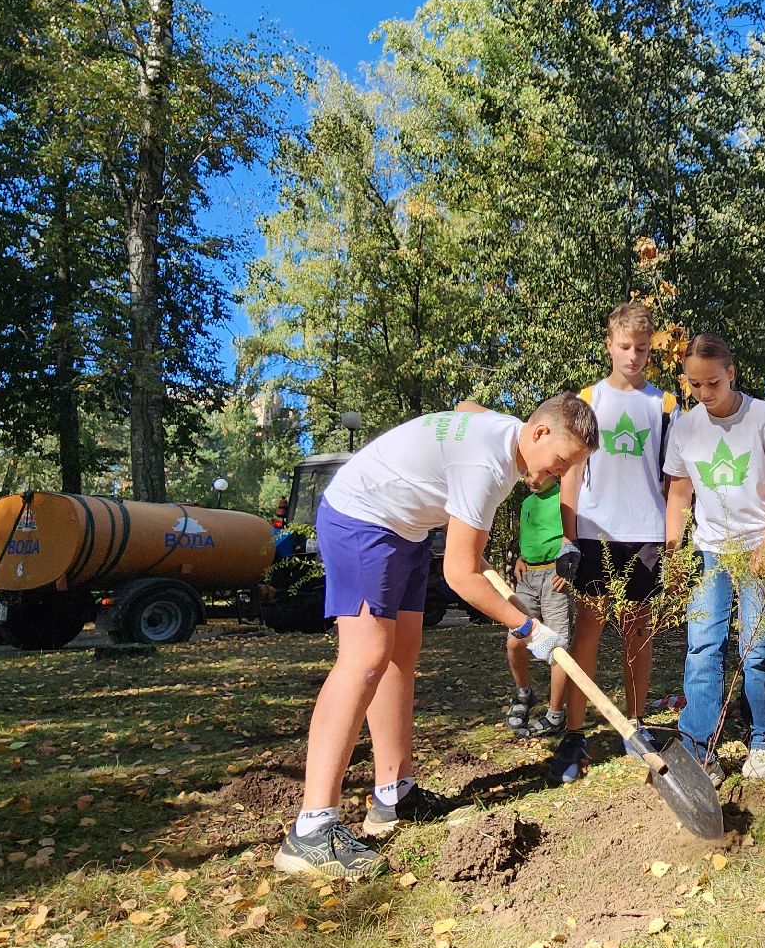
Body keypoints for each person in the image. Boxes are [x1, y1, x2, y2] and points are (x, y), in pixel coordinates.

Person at [274, 396, 597, 878]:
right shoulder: (486, 465)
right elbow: (461, 575)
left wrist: (513, 604)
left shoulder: (509, 436)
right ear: (539, 433)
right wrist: (527, 626)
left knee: (401, 654)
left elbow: (467, 407)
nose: (556, 477)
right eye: (559, 464)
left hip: (406, 529)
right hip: (362, 519)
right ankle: (312, 829)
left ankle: (393, 795)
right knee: (364, 659)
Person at [535, 301, 678, 784]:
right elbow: (571, 478)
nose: (632, 356)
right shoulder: (588, 399)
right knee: (587, 634)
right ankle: (575, 735)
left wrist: (673, 539)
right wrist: (567, 539)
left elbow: (672, 483)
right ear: (609, 345)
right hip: (595, 534)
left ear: (650, 349)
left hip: (645, 536)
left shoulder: (665, 405)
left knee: (638, 634)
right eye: (624, 346)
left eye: (641, 348)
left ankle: (633, 727)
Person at [663, 334, 765, 779]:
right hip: (711, 552)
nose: (705, 393)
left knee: (756, 647)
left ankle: (763, 741)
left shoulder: (763, 417)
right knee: (703, 647)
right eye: (695, 384)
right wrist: (673, 551)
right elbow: (679, 491)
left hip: (759, 549)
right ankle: (699, 748)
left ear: (731, 374)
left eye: (714, 383)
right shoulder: (684, 427)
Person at [502, 478, 577, 737]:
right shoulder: (526, 503)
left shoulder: (565, 498)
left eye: (536, 474)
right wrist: (522, 558)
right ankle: (524, 693)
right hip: (527, 577)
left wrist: (569, 569)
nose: (529, 480)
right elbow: (533, 537)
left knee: (557, 647)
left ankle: (555, 714)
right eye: (523, 475)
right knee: (514, 641)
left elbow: (573, 537)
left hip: (554, 577)